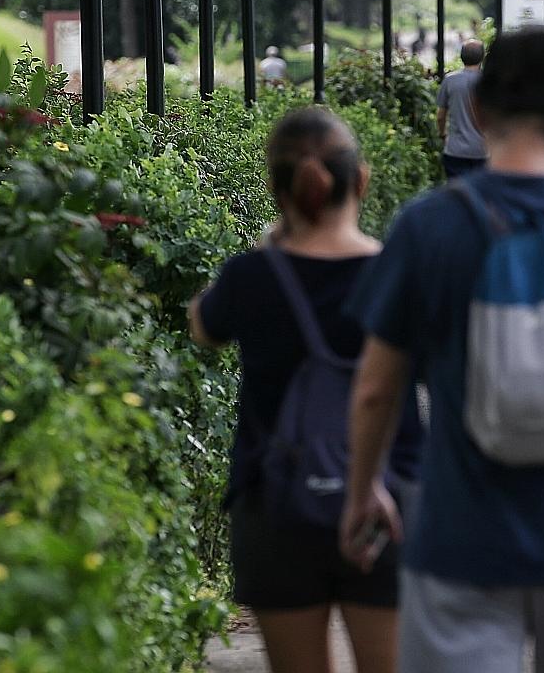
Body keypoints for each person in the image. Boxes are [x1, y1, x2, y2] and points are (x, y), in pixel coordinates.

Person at [339, 27, 544, 673]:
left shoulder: (426, 225)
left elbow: (378, 387)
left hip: (459, 532)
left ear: (478, 110)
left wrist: (362, 494)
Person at [189, 108, 421, 673]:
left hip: (277, 499)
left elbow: (203, 325)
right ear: (360, 180)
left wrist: (273, 247)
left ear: (276, 189)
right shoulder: (401, 274)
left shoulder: (251, 276)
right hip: (390, 499)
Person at [436, 39, 486, 179]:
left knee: (457, 194)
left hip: (455, 150)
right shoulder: (489, 82)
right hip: (483, 150)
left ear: (462, 56)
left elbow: (440, 116)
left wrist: (443, 135)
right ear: (482, 57)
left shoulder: (450, 80)